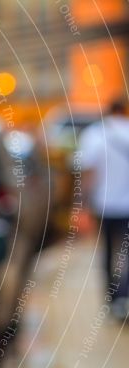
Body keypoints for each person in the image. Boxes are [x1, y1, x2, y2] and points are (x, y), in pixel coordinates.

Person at [78, 99, 129, 319]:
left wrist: (81, 203)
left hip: (104, 204)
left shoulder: (94, 135)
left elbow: (88, 173)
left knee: (108, 250)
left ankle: (113, 299)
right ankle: (124, 295)